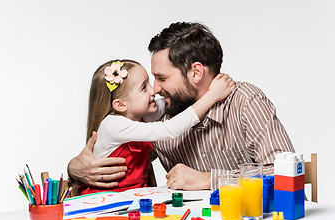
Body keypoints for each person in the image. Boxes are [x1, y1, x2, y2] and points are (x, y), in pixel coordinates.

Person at [68, 22, 295, 192]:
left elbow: (286, 173)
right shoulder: (159, 114)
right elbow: (124, 157)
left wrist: (208, 179)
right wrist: (75, 167)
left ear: (195, 72)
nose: (155, 89)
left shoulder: (245, 101)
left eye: (162, 78)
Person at [73, 59, 235, 195]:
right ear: (120, 104)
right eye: (144, 87)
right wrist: (212, 96)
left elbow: (175, 101)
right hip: (104, 200)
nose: (154, 90)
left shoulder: (141, 115)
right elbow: (170, 129)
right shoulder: (113, 125)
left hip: (131, 198)